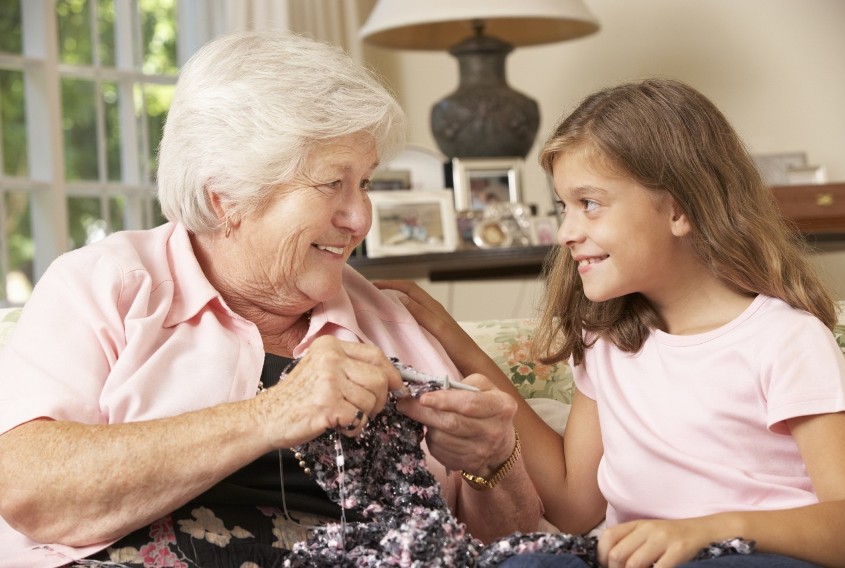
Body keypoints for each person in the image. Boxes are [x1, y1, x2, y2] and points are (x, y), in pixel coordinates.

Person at [0, 30, 543, 567]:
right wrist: (273, 413)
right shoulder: (109, 285)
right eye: (333, 184)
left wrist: (493, 463)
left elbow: (498, 550)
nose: (360, 218)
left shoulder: (389, 323)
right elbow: (30, 492)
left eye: (367, 184)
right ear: (228, 198)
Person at [378, 78, 845, 567]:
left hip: (753, 555)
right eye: (565, 207)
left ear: (678, 209)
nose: (566, 232)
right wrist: (457, 343)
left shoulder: (784, 339)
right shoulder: (609, 341)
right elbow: (572, 506)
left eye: (590, 203)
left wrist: (711, 530)